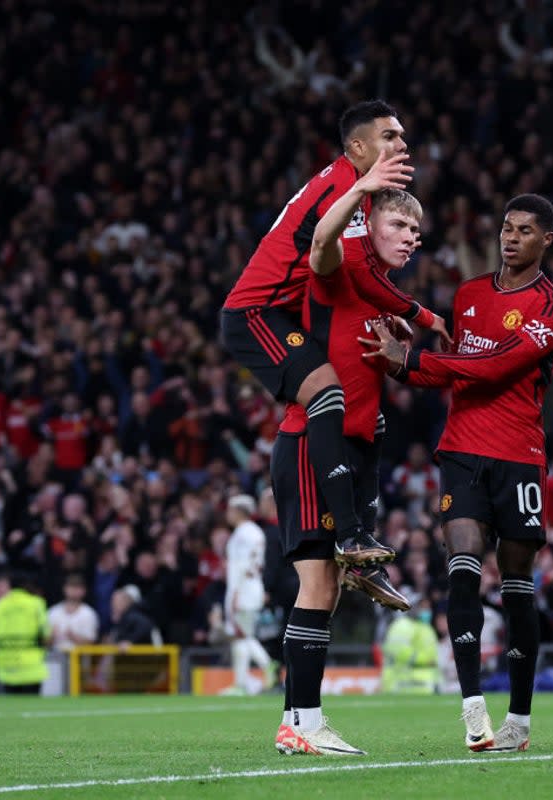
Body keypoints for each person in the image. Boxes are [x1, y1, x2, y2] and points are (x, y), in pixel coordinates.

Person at [361, 194, 553, 753]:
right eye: (506, 228)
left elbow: (493, 365)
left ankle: (519, 724)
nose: (511, 238)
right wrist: (398, 366)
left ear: (545, 240)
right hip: (461, 450)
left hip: (519, 454)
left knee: (517, 587)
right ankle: (473, 710)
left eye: (525, 231)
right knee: (460, 566)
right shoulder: (470, 294)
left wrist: (413, 362)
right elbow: (455, 373)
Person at [220, 99, 443, 568]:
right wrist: (423, 316)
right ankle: (350, 534)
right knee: (325, 392)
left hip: (283, 313)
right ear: (357, 147)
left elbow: (360, 271)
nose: (402, 144)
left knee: (364, 412)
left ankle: (361, 540)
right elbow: (341, 259)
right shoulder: (345, 186)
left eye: (402, 136)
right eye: (390, 137)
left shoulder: (354, 190)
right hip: (254, 312)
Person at [272, 187, 431, 757]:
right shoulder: (341, 274)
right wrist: (361, 191)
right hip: (312, 446)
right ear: (368, 223)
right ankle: (305, 724)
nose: (411, 237)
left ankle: (295, 719)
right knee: (318, 583)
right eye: (399, 225)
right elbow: (320, 243)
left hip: (354, 449)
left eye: (416, 231)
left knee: (327, 586)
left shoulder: (381, 298)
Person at [223, 494, 276, 696]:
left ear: (238, 511)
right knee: (240, 637)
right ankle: (241, 682)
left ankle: (267, 665)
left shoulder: (242, 534)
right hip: (252, 588)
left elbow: (242, 566)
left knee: (243, 635)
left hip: (243, 590)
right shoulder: (255, 532)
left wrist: (235, 593)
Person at [0, 572, 50, 695]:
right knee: (31, 708)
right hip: (31, 666)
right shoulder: (36, 603)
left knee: (12, 708)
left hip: (7, 666)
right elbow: (46, 633)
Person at [47, 574, 99, 652]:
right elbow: (45, 643)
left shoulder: (89, 614)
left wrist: (73, 637)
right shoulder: (53, 612)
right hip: (54, 659)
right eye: (71, 586)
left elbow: (91, 644)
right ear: (64, 589)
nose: (74, 590)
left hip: (79, 660)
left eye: (78, 587)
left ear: (84, 591)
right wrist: (52, 637)